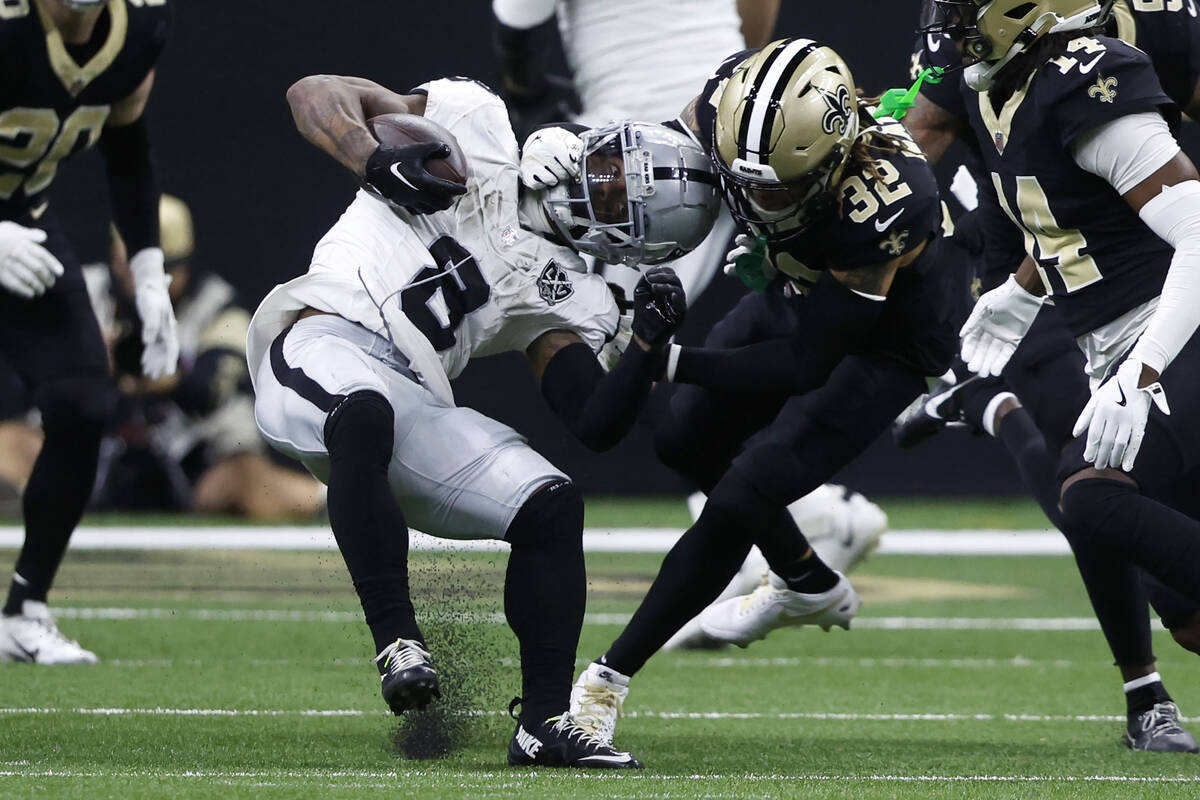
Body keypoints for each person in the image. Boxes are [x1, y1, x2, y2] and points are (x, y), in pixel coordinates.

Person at [248, 73, 721, 768]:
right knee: (363, 411)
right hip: (319, 340)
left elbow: (591, 419)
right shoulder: (477, 122)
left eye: (627, 198)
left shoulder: (576, 290)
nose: (606, 183)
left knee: (551, 506)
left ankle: (543, 725)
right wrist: (370, 159)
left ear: (633, 243)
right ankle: (398, 642)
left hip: (414, 392)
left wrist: (645, 346)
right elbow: (311, 93)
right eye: (616, 164)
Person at [528, 38, 959, 748]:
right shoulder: (732, 99)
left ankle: (605, 682)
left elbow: (802, 364)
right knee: (682, 440)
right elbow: (649, 155)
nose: (757, 197)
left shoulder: (888, 200)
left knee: (743, 493)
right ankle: (805, 579)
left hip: (885, 338)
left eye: (779, 188)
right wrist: (567, 150)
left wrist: (664, 362)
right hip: (799, 283)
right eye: (744, 178)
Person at [493, 0, 891, 651]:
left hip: (640, 149)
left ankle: (789, 521)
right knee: (616, 347)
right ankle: (786, 513)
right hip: (727, 121)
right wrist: (718, 89)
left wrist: (540, 116)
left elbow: (520, 40)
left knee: (604, 344)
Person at [902, 0, 1200, 751]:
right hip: (1124, 343)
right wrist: (1020, 291)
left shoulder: (1088, 79)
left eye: (968, 7)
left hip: (1176, 332)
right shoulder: (994, 84)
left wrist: (1141, 371)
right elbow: (1081, 216)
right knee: (1193, 622)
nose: (951, 21)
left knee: (1090, 497)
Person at [0, 0, 178, 665]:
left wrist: (150, 270)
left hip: (25, 224)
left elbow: (129, 152)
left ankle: (25, 609)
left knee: (82, 401)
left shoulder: (137, 29)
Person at [96, 194, 326, 518]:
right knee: (17, 440)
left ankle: (337, 503)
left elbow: (208, 389)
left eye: (167, 269)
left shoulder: (219, 307)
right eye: (141, 270)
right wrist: (85, 361)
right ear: (117, 260)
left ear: (186, 263)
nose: (154, 283)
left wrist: (162, 376)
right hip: (92, 455)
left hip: (198, 465)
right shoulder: (84, 297)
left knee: (245, 475)